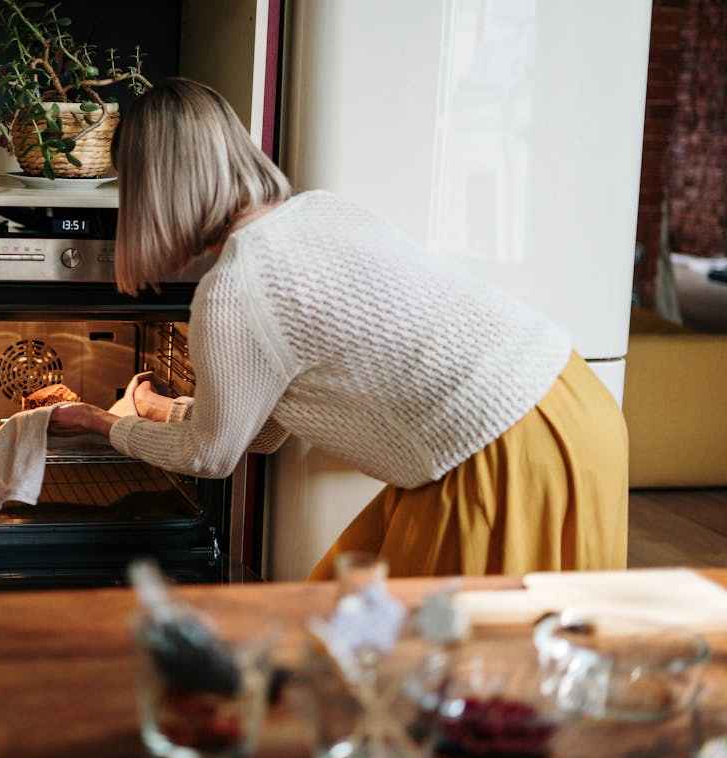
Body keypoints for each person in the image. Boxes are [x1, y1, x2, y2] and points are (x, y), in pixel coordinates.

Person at [51, 78, 628, 580]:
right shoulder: (323, 211)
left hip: (500, 457)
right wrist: (153, 409)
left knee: (456, 669)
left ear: (152, 190)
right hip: (572, 404)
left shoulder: (234, 288)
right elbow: (261, 430)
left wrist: (102, 425)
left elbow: (211, 458)